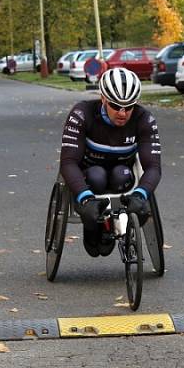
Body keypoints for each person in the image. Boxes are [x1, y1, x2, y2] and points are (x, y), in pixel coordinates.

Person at [60, 67, 161, 257]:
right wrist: (84, 197)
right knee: (97, 176)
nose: (122, 113)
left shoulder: (144, 119)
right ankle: (92, 227)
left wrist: (141, 194)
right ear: (104, 98)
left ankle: (109, 228)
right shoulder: (82, 113)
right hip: (89, 174)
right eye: (115, 105)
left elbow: (153, 166)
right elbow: (68, 162)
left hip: (121, 173)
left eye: (129, 106)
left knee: (119, 174)